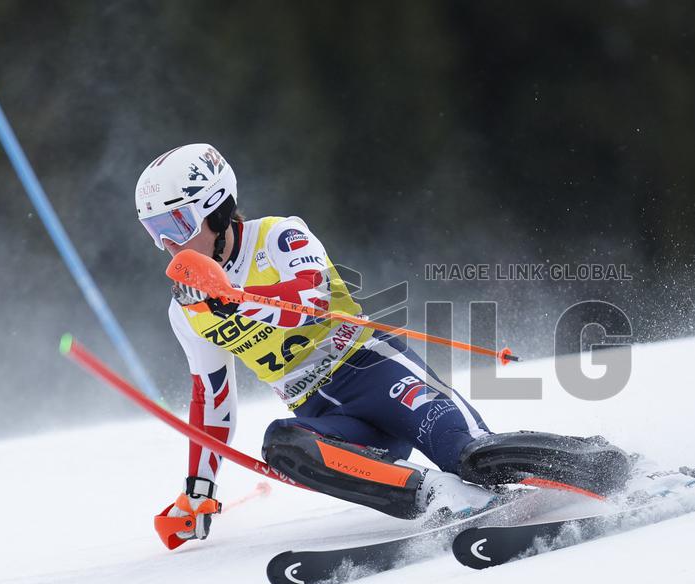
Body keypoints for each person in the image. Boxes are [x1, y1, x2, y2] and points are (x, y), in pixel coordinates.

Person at [135, 143, 631, 550]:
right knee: (283, 445)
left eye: (177, 227)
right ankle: (435, 495)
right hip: (326, 415)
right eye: (156, 234)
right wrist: (200, 492)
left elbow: (309, 300)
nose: (170, 247)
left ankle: (611, 466)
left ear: (217, 209)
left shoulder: (280, 236)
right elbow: (213, 400)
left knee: (471, 455)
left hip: (377, 372)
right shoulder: (186, 311)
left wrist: (235, 301)